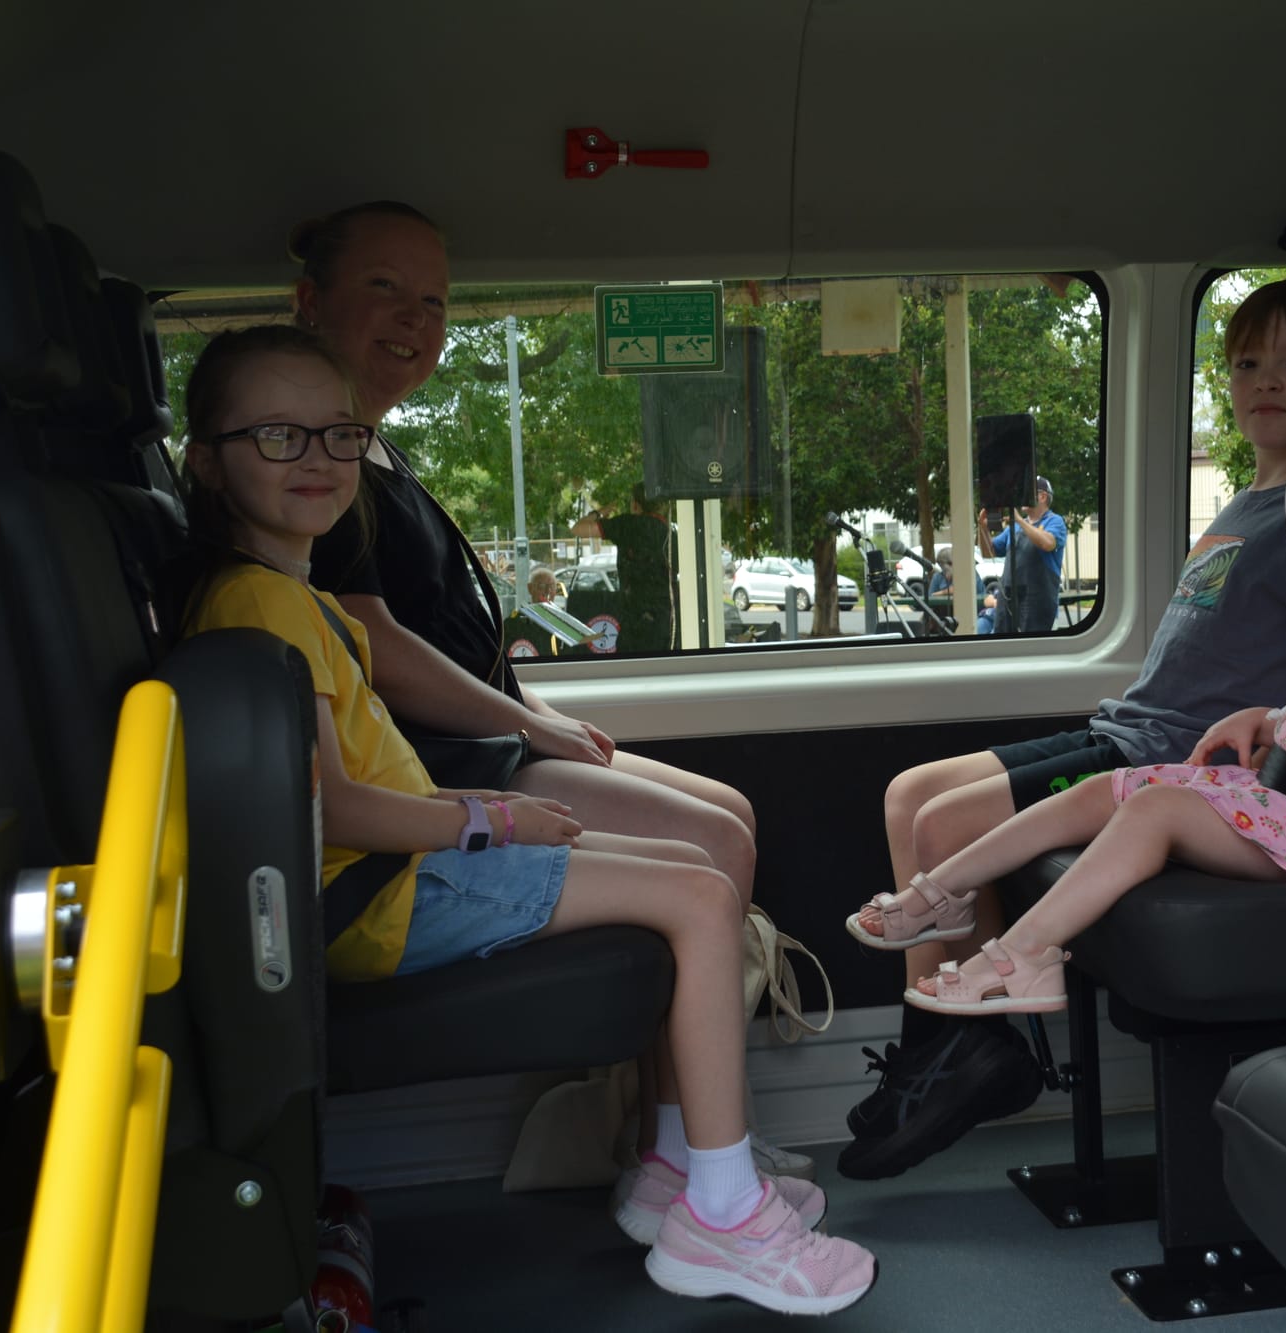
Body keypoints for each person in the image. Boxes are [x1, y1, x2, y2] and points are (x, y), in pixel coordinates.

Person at [176, 326, 874, 1314]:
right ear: (207, 461)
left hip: (390, 876)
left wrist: (491, 813)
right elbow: (328, 804)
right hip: (379, 895)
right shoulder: (261, 607)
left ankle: (681, 1170)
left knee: (699, 876)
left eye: (336, 437)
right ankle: (720, 1216)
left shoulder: (293, 597)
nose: (319, 462)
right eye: (277, 438)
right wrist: (489, 821)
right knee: (698, 893)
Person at [289, 201, 810, 1179]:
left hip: (480, 745)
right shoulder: (322, 469)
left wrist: (535, 721)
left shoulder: (376, 450)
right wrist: (532, 724)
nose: (414, 319)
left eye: (434, 301)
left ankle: (671, 1129)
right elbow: (372, 641)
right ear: (309, 301)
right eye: (384, 289)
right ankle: (677, 1154)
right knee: (711, 844)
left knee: (732, 815)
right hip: (436, 770)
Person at [837, 276, 1286, 1180]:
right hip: (1128, 723)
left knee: (941, 826)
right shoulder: (1246, 503)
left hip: (1166, 752)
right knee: (909, 793)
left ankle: (970, 1057)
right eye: (1246, 362)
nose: (1266, 380)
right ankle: (933, 1044)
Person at [851, 387, 1286, 1022]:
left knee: (1153, 808)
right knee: (1105, 787)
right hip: (1284, 800)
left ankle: (1024, 956)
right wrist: (1270, 719)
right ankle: (940, 894)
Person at [571, 485, 676, 653]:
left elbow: (578, 529)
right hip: (665, 620)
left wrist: (599, 513)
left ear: (635, 504)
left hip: (635, 620)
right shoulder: (671, 531)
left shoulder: (627, 524)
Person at [976, 477, 1067, 633]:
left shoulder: (1055, 521)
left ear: (1042, 496)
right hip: (1008, 596)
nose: (1020, 497)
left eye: (1026, 492)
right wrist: (983, 528)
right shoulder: (1016, 526)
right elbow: (987, 552)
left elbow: (1047, 543)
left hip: (1037, 598)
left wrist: (1020, 521)